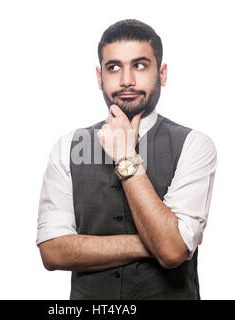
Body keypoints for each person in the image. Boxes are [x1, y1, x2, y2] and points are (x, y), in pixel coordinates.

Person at [36, 19, 217, 300]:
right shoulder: (68, 146)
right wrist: (155, 243)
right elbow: (52, 251)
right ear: (100, 77)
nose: (127, 80)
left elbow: (171, 253)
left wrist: (125, 157)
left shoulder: (194, 145)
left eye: (140, 65)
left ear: (162, 74)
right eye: (114, 67)